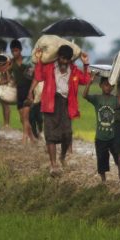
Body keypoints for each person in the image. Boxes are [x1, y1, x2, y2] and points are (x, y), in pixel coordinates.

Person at [32, 45, 91, 174]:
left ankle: (62, 157)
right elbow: (39, 76)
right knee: (51, 136)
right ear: (58, 57)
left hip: (66, 104)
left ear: (70, 60)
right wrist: (39, 60)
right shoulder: (49, 68)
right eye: (62, 59)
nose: (64, 62)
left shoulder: (74, 71)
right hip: (50, 103)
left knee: (67, 135)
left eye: (67, 60)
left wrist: (86, 64)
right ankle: (53, 165)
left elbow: (86, 80)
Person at [84, 74, 119, 182]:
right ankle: (104, 180)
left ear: (113, 86)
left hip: (113, 135)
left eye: (110, 85)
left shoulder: (115, 100)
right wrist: (89, 83)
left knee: (119, 157)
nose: (107, 87)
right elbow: (85, 95)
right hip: (100, 137)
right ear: (100, 86)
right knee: (101, 159)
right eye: (105, 85)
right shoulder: (97, 99)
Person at [8, 41, 37, 142]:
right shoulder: (12, 63)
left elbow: (33, 76)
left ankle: (24, 138)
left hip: (28, 90)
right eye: (12, 51)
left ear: (20, 50)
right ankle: (32, 138)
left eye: (16, 50)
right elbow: (8, 75)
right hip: (19, 91)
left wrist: (31, 92)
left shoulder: (27, 60)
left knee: (25, 116)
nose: (14, 53)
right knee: (22, 118)